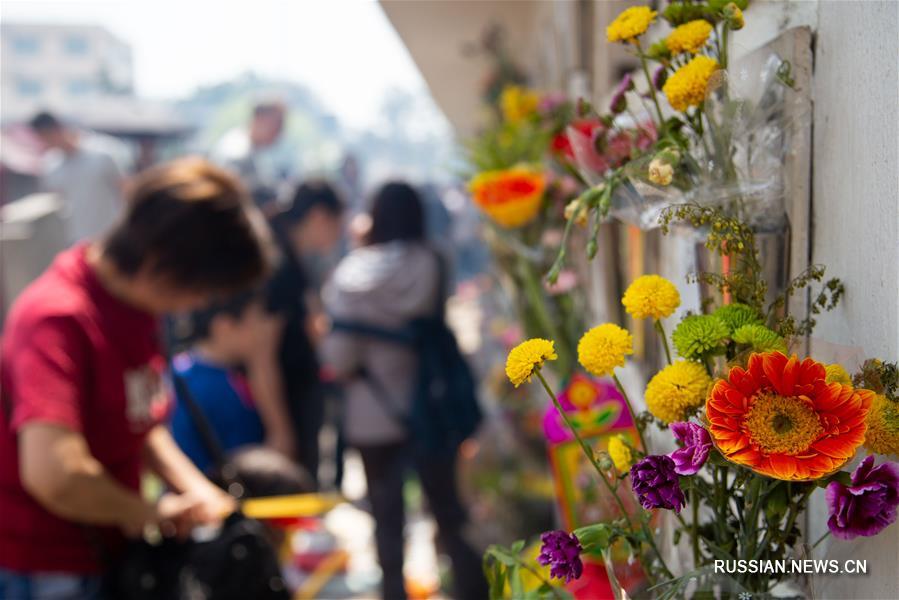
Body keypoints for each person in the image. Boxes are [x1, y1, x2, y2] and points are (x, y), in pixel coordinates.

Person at [0, 157, 273, 598]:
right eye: (199, 289)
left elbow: (140, 423)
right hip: (48, 568)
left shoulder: (136, 309)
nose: (194, 304)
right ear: (161, 260)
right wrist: (153, 511)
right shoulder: (56, 319)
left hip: (107, 553)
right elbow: (55, 473)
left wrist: (196, 493)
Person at [323, 182, 487, 600]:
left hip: (371, 415)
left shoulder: (350, 273)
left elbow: (338, 360)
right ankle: (473, 590)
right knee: (448, 512)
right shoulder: (432, 261)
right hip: (430, 407)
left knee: (386, 520)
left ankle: (394, 591)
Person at [264, 181, 344, 486]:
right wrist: (279, 426)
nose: (338, 234)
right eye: (336, 223)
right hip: (287, 396)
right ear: (320, 216)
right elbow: (264, 353)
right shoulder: (278, 262)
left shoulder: (290, 254)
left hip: (297, 389)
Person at [170, 291, 283, 475]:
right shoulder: (221, 387)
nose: (263, 330)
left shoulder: (178, 369)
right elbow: (261, 462)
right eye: (254, 321)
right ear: (224, 326)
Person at [29, 111, 127, 243]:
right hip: (78, 242)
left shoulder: (102, 154)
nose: (45, 140)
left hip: (112, 238)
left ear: (57, 128)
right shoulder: (50, 166)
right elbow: (57, 203)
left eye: (46, 134)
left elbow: (125, 190)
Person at [211, 99, 286, 209]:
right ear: (260, 119)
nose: (280, 132)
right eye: (277, 124)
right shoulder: (239, 152)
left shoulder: (248, 147)